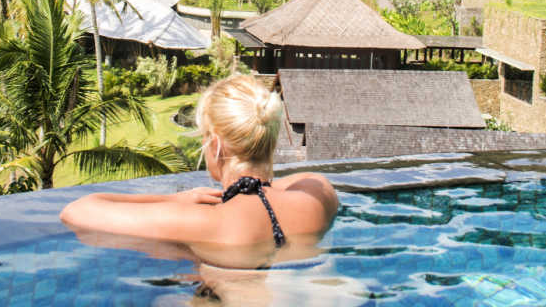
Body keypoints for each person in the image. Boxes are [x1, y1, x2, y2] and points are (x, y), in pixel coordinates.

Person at [59, 74, 338, 268]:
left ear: (215, 144)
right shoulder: (316, 197)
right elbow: (298, 180)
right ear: (270, 139)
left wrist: (174, 201)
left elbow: (77, 210)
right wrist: (255, 185)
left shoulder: (201, 221)